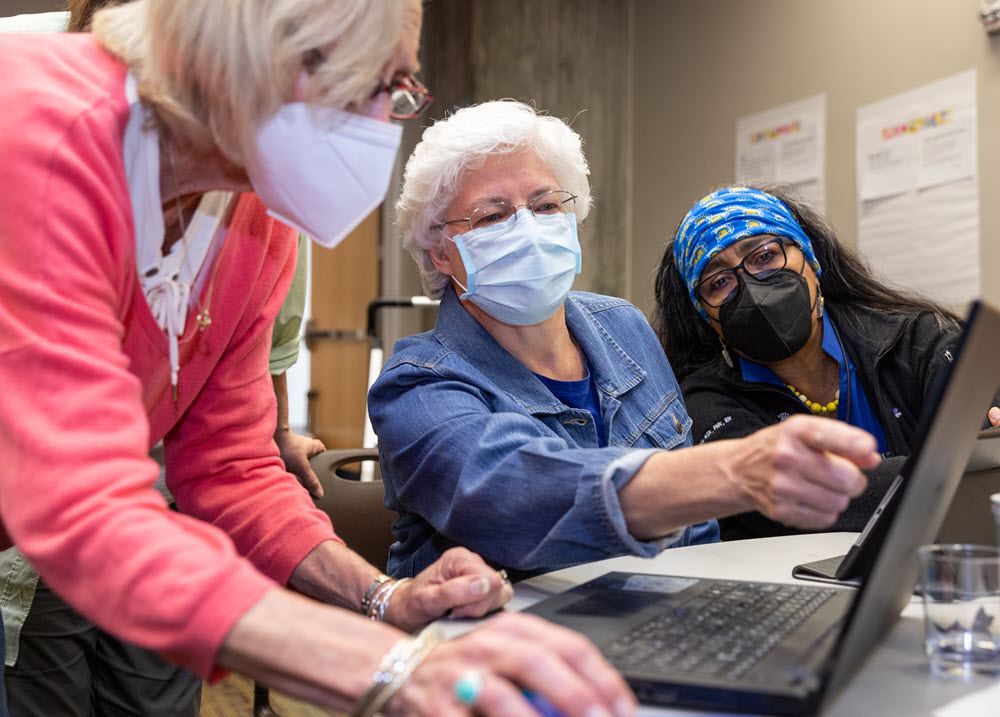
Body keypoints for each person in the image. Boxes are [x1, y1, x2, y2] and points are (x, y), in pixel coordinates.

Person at [0, 3, 638, 716]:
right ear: (265, 52)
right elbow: (77, 500)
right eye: (382, 83)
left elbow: (230, 465)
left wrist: (382, 599)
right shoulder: (37, 123)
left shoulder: (254, 216)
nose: (388, 118)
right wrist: (388, 666)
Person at [369, 101, 881, 583]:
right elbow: (514, 499)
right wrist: (730, 472)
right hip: (499, 646)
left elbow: (696, 540)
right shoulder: (415, 385)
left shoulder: (622, 327)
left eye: (546, 204)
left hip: (657, 618)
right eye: (492, 216)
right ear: (440, 252)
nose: (527, 228)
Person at [652, 184, 1000, 541]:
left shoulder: (918, 341)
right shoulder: (701, 403)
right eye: (719, 281)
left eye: (764, 256)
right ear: (706, 316)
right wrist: (949, 470)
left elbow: (991, 461)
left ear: (810, 262)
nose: (753, 288)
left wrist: (967, 464)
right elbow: (790, 497)